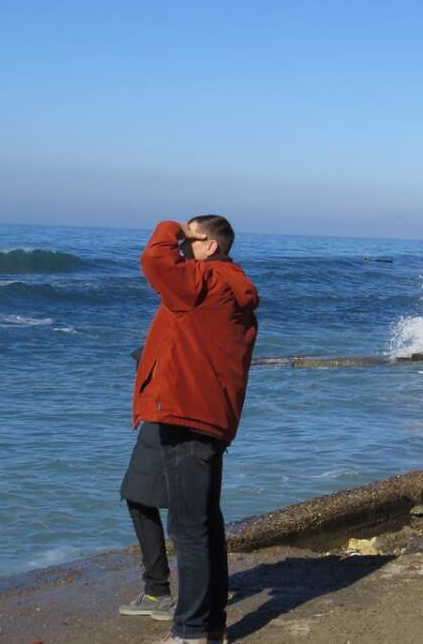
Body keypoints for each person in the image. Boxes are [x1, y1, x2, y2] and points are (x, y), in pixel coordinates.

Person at [132, 217, 260, 644]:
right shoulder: (219, 283)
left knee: (189, 528)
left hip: (188, 413)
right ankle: (210, 625)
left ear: (210, 247)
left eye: (190, 241)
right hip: (204, 414)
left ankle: (189, 631)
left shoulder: (208, 281)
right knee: (203, 523)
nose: (182, 249)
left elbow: (155, 262)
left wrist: (169, 227)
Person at [119, 349, 174, 622]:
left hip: (172, 410)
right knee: (192, 506)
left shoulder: (188, 311)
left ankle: (159, 593)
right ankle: (165, 592)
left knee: (139, 495)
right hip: (189, 410)